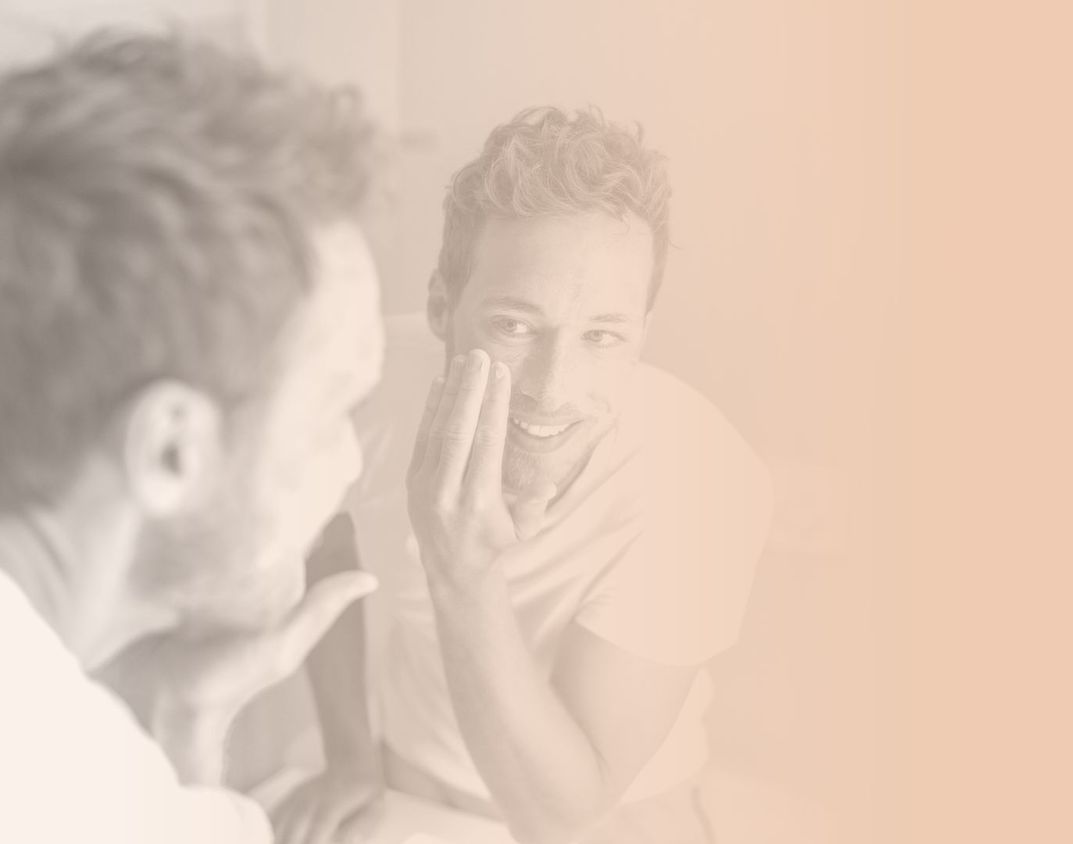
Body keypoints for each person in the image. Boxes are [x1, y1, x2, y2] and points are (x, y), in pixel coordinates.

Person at [276, 107, 773, 844]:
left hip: (616, 819)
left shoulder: (702, 482)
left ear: (643, 333)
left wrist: (461, 568)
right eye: (514, 326)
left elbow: (561, 813)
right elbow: (325, 542)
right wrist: (349, 753)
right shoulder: (366, 380)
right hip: (400, 789)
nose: (552, 386)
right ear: (444, 306)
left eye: (602, 336)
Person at [0, 33, 385, 842]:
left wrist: (178, 719)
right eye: (331, 412)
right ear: (171, 450)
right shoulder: (67, 791)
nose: (351, 464)